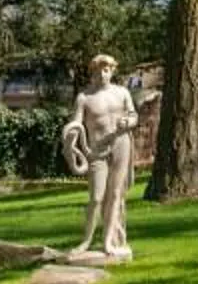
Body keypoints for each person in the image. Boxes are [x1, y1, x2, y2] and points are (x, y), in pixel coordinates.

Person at [61, 54, 147, 262]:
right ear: (92, 72)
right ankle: (86, 240)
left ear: (112, 71)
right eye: (98, 71)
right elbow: (77, 123)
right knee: (96, 198)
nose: (102, 74)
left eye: (106, 70)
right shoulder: (85, 97)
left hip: (121, 143)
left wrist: (128, 122)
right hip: (97, 150)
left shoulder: (122, 92)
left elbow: (133, 115)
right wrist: (70, 143)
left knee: (116, 194)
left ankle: (109, 241)